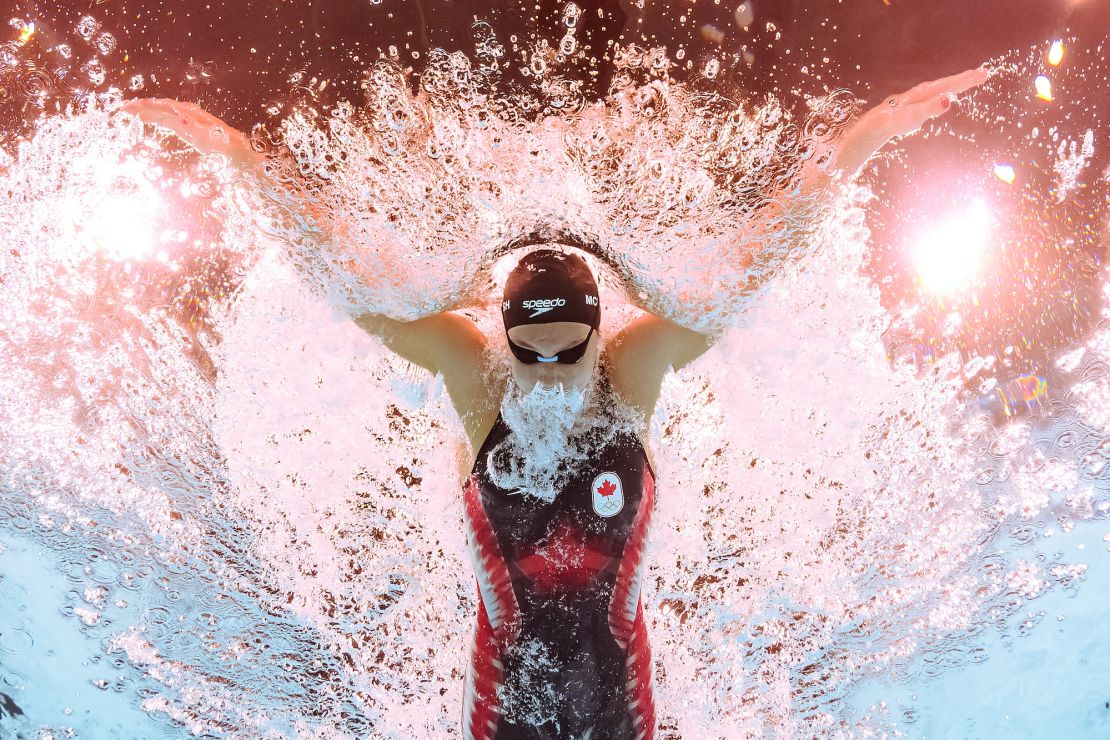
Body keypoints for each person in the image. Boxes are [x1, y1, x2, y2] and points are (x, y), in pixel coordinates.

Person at [123, 65, 987, 739]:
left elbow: (747, 280)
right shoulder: (477, 379)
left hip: (624, 709)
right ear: (502, 334)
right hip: (500, 715)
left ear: (596, 331)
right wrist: (242, 162)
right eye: (525, 351)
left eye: (562, 351)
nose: (543, 373)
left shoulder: (631, 374)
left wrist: (867, 138)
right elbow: (354, 294)